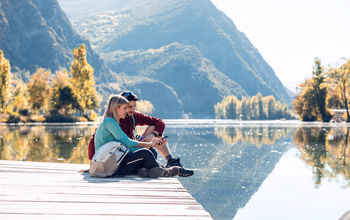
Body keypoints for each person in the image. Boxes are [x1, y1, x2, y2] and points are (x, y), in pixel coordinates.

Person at [94, 95, 184, 178]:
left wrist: (149, 146)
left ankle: (147, 171)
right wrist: (150, 145)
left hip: (112, 162)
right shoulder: (110, 122)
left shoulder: (110, 121)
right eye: (125, 108)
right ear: (117, 108)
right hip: (110, 166)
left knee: (147, 152)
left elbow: (124, 147)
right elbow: (127, 143)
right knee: (146, 153)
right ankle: (166, 171)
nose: (127, 111)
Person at [119, 91, 193, 177]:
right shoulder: (114, 120)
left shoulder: (133, 116)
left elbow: (159, 122)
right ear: (121, 106)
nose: (133, 109)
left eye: (134, 106)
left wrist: (153, 135)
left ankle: (170, 161)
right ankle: (164, 169)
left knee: (154, 129)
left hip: (135, 146)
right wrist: (147, 144)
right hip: (125, 152)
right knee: (150, 153)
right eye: (130, 107)